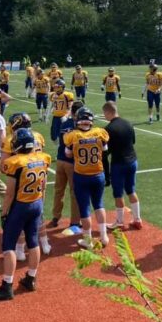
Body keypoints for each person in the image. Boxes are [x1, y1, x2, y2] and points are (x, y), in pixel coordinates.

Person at [0, 128, 51, 301]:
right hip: (37, 203)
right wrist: (41, 205)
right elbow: (43, 186)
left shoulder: (15, 162)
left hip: (21, 206)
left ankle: (7, 285)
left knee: (9, 245)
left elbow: (9, 194)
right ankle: (31, 278)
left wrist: (4, 213)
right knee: (33, 242)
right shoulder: (43, 158)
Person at [0, 113, 50, 258]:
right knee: (38, 215)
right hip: (38, 175)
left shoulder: (11, 139)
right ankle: (45, 243)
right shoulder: (38, 136)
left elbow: (3, 167)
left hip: (22, 178)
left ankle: (20, 249)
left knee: (19, 217)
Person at [63, 107, 110, 249]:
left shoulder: (72, 135)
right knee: (99, 204)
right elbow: (105, 150)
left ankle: (88, 240)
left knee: (84, 208)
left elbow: (68, 154)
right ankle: (104, 236)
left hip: (82, 176)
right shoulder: (100, 133)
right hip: (98, 174)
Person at [102, 102, 142, 230]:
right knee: (131, 190)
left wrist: (106, 174)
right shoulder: (129, 123)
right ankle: (137, 219)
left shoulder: (108, 129)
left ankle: (119, 222)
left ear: (108, 112)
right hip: (132, 161)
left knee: (118, 194)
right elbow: (133, 141)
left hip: (119, 164)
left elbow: (105, 152)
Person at [48, 102, 82, 232]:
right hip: (72, 162)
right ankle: (75, 221)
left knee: (59, 190)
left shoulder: (64, 123)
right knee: (74, 192)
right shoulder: (78, 126)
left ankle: (55, 217)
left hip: (60, 161)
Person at [49, 79, 74, 144]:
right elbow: (51, 105)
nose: (56, 88)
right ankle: (58, 146)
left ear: (62, 87)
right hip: (55, 117)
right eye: (55, 87)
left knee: (65, 134)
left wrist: (66, 116)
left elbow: (70, 107)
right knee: (53, 136)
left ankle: (64, 146)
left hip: (64, 118)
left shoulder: (67, 95)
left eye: (58, 87)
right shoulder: (52, 95)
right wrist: (47, 115)